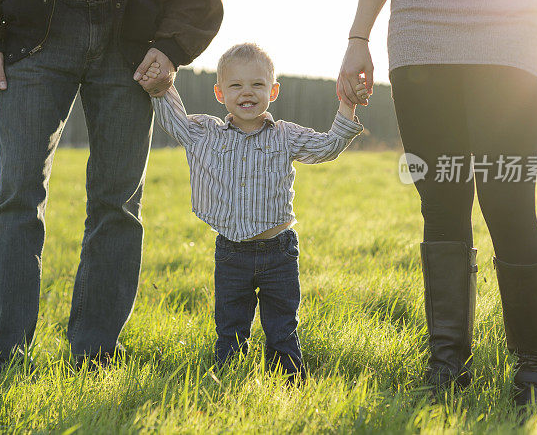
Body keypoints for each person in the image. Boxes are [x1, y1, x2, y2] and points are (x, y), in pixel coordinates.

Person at [337, 0, 537, 411]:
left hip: (521, 36)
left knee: (507, 199)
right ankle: (446, 366)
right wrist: (358, 35)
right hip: (421, 34)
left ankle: (533, 367)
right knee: (440, 201)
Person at [0, 0, 223, 372]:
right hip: (34, 32)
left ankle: (93, 356)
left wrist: (172, 44)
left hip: (132, 38)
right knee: (18, 193)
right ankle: (4, 358)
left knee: (118, 201)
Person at [138, 43, 369, 380]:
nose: (247, 92)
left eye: (257, 85)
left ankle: (288, 386)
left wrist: (347, 104)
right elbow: (173, 121)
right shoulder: (205, 133)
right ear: (220, 92)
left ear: (273, 91)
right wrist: (161, 85)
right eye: (236, 85)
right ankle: (226, 382)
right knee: (230, 326)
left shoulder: (285, 135)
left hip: (279, 253)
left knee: (282, 327)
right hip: (231, 253)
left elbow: (328, 146)